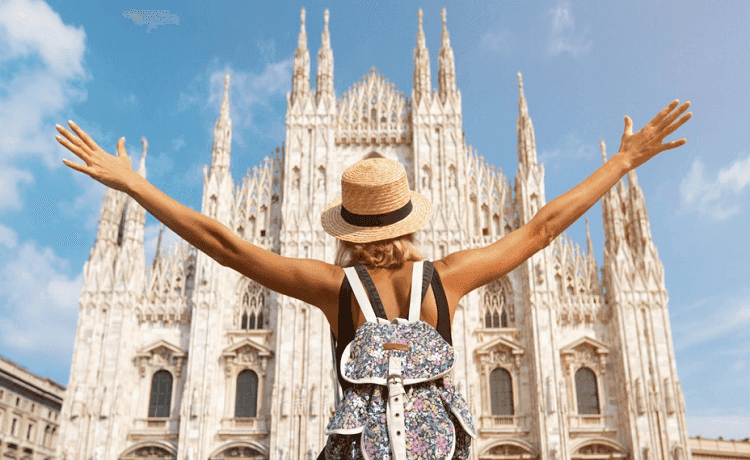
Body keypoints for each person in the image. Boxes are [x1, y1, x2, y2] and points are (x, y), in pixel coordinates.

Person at [56, 99, 691, 459]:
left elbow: (226, 246)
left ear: (346, 232)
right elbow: (544, 227)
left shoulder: (333, 289)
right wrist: (625, 160)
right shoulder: (450, 276)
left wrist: (133, 182)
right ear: (411, 216)